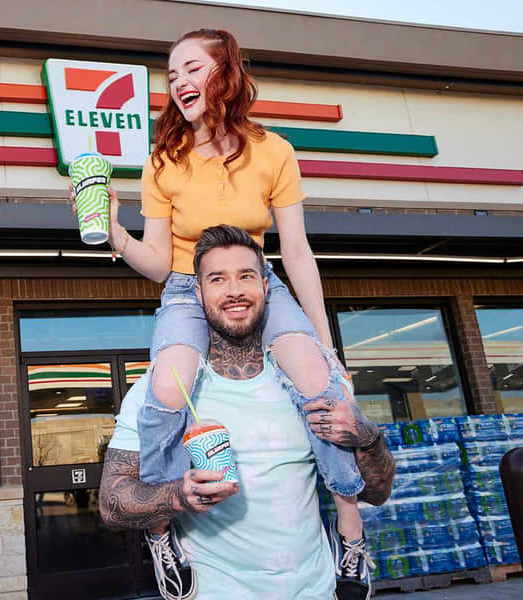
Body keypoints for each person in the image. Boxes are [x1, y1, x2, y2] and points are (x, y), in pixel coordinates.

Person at [72, 28, 370, 599]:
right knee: (169, 379)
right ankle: (160, 528)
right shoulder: (164, 161)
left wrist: (326, 344)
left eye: (191, 68)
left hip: (258, 279)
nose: (178, 81)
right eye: (172, 74)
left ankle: (350, 531)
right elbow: (159, 264)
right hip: (187, 287)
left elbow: (298, 252)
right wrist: (114, 231)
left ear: (225, 73)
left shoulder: (274, 151)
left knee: (316, 376)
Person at [99, 225, 396, 599]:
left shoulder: (307, 380)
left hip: (316, 591)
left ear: (267, 286)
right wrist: (178, 495)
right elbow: (112, 502)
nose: (234, 290)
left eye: (246, 276)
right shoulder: (163, 387)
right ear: (198, 292)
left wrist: (367, 436)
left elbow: (378, 490)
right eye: (218, 279)